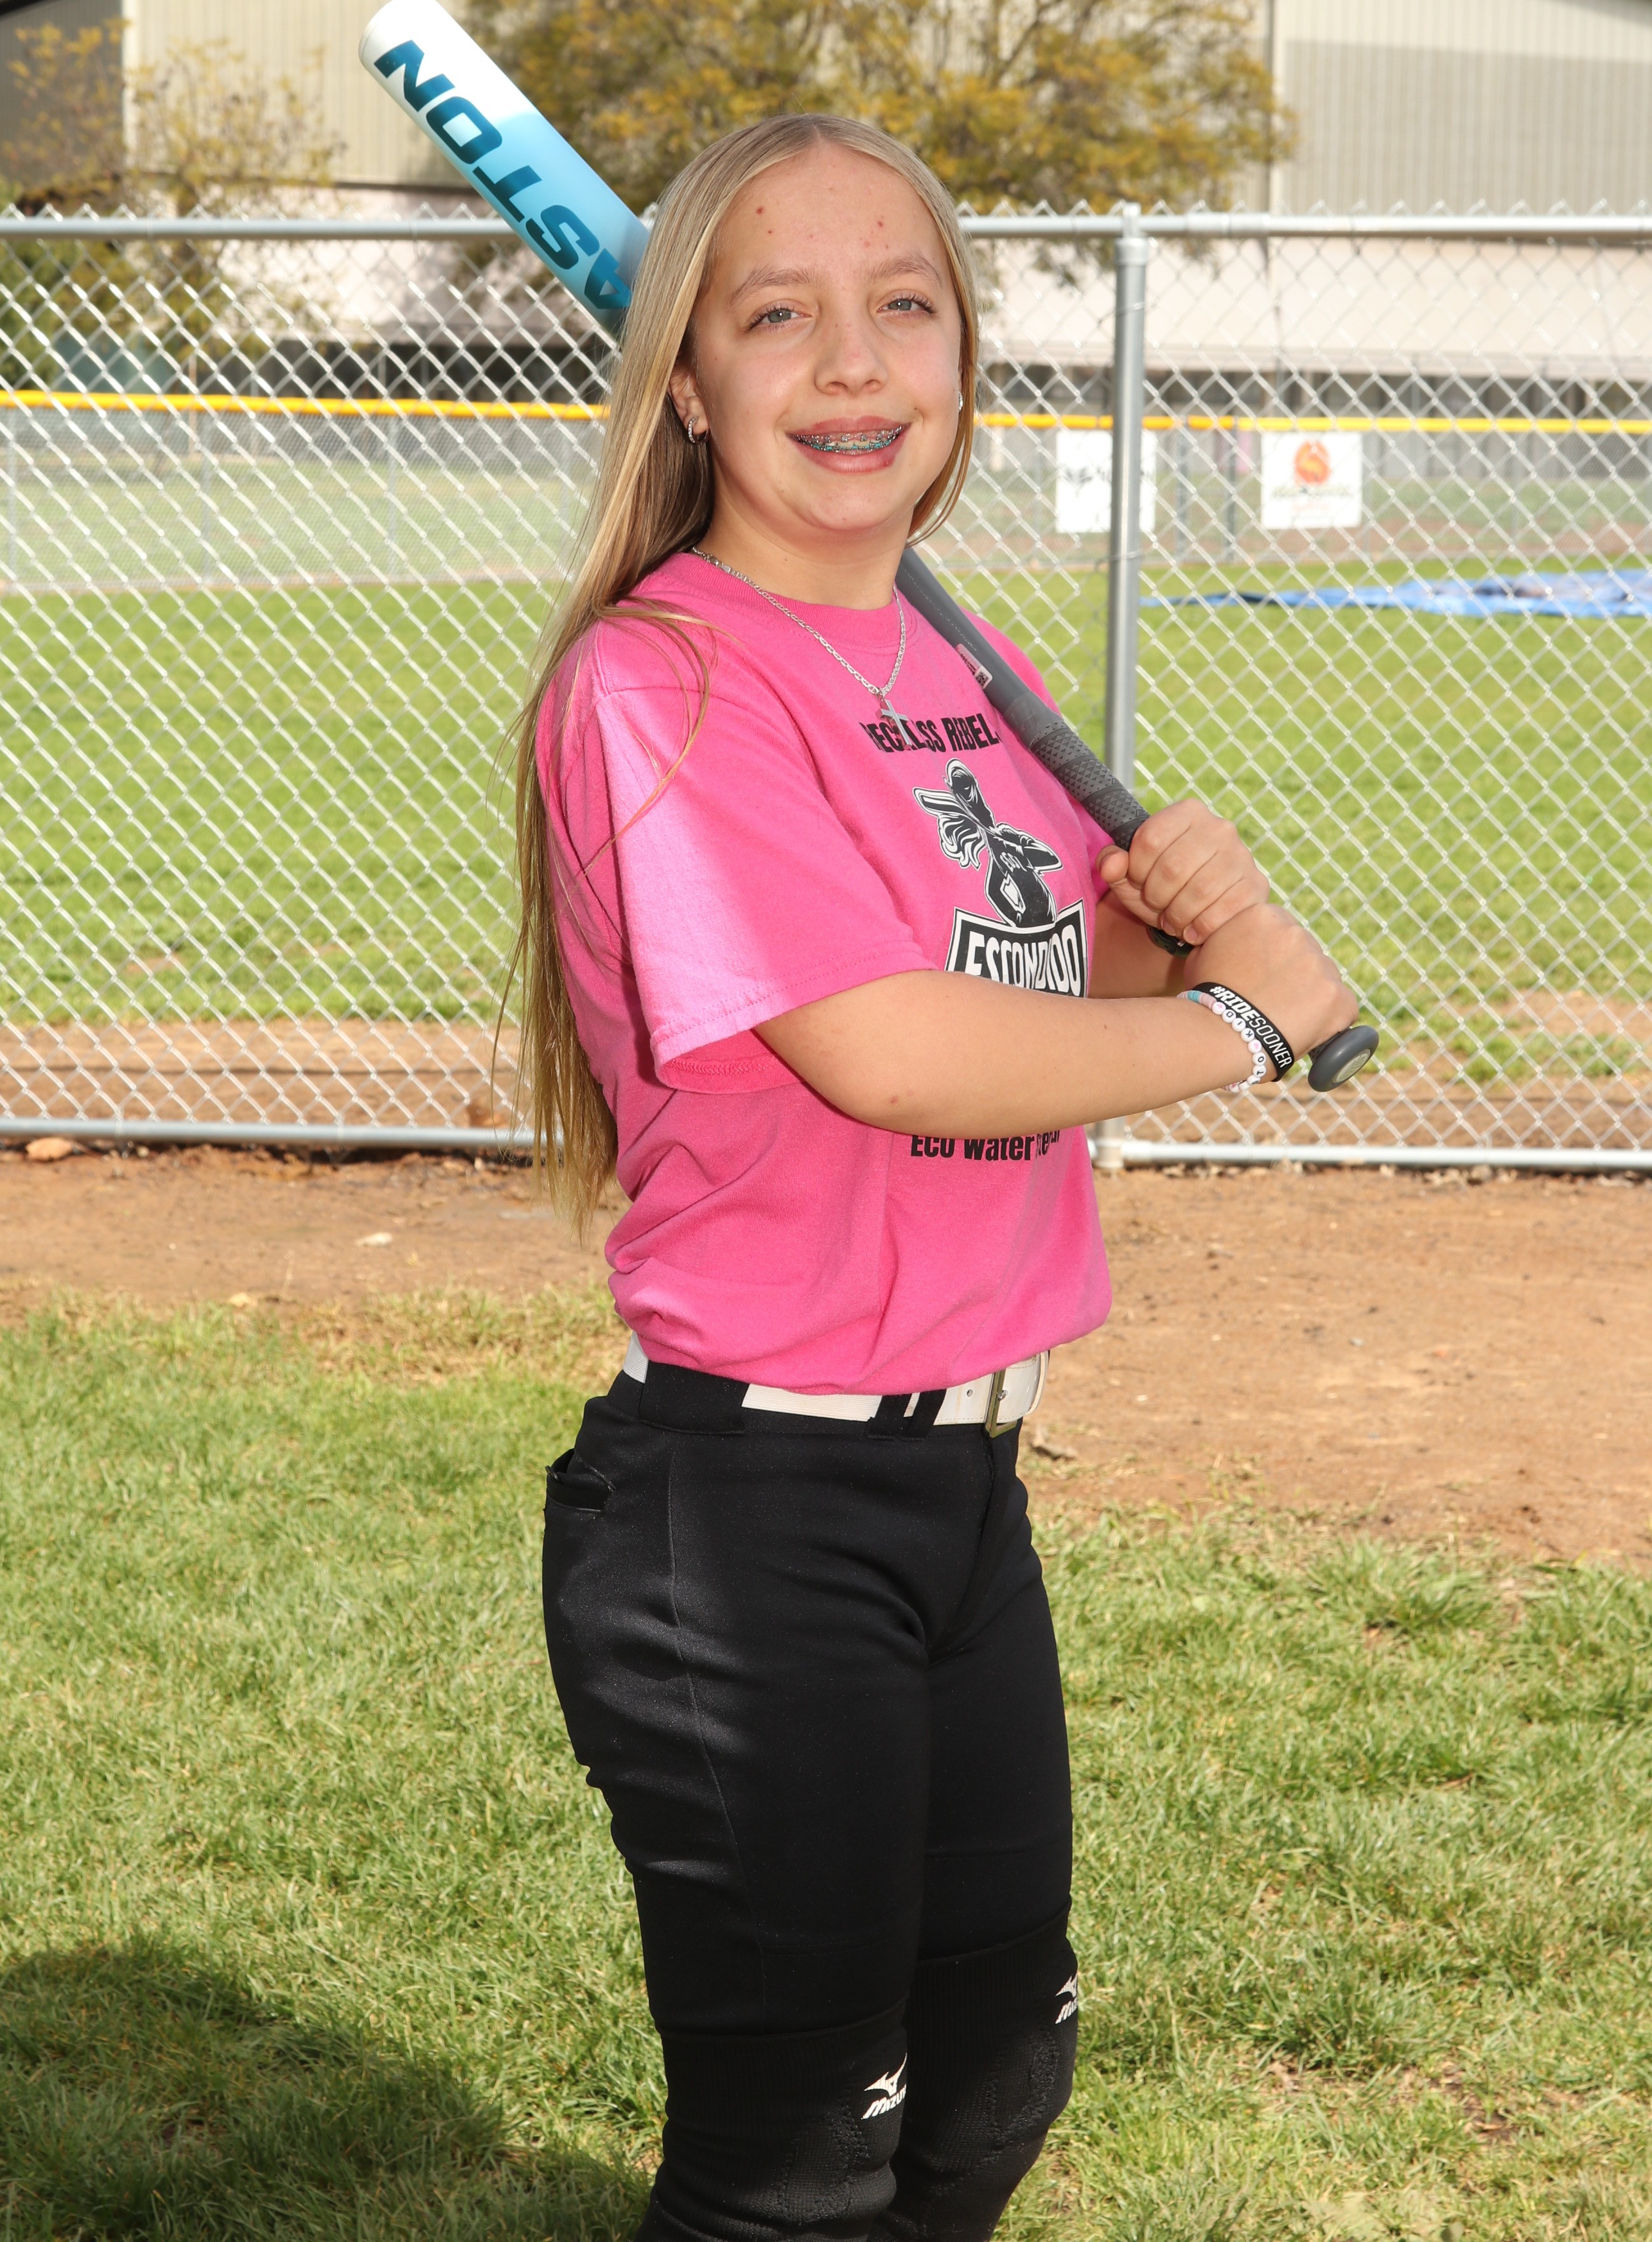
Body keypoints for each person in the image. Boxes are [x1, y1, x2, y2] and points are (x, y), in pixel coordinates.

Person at [512, 114, 1354, 2242]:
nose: (852, 362)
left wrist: (1164, 928)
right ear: (685, 380)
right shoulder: (660, 680)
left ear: (964, 362)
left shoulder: (963, 667)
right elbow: (889, 1051)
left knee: (991, 2079)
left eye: (904, 306)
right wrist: (1240, 1029)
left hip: (963, 1485)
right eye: (775, 315)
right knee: (799, 2166)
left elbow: (1040, 1004)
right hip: (751, 1514)